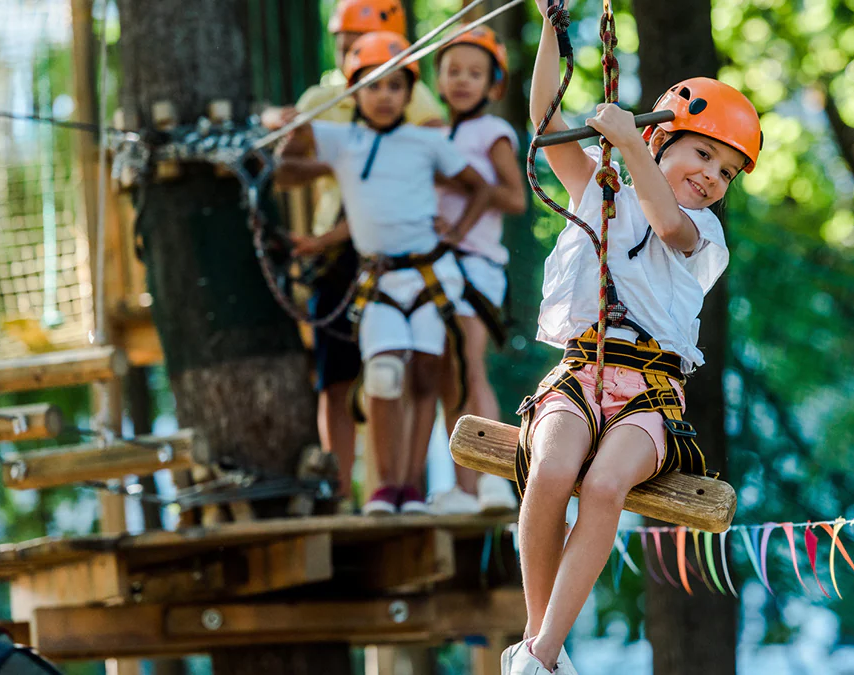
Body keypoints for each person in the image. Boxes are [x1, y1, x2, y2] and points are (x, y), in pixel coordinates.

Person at [501, 3, 764, 673]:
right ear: (661, 140)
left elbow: (664, 219)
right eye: (702, 152)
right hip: (579, 373)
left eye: (727, 171)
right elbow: (544, 118)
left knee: (605, 485)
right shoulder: (598, 186)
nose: (711, 175)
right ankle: (540, 648)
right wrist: (554, 29)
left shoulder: (704, 235)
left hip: (648, 395)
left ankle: (541, 650)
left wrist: (623, 146)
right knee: (554, 470)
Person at [275, 32, 492, 516]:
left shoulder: (424, 141)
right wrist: (295, 138)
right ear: (355, 93)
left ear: (408, 93)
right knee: (384, 375)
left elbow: (478, 186)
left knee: (423, 379)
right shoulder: (340, 139)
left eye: (396, 87)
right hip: (378, 282)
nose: (385, 96)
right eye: (373, 86)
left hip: (429, 276)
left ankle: (410, 488)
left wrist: (455, 231)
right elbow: (285, 171)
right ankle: (383, 487)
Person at [265, 0, 444, 508]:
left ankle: (396, 487)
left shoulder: (413, 93)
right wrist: (332, 157)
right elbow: (286, 167)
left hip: (394, 253)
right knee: (337, 376)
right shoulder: (323, 96)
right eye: (343, 45)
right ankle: (339, 492)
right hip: (336, 257)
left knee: (399, 374)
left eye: (357, 43)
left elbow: (426, 154)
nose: (347, 54)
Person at [427, 25, 527, 515]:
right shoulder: (434, 133)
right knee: (449, 376)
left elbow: (514, 197)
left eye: (475, 73)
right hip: (437, 268)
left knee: (470, 367)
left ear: (494, 85)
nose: (463, 81)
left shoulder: (492, 132)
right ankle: (462, 490)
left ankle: (492, 481)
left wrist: (465, 189)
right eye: (454, 71)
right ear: (439, 80)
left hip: (475, 267)